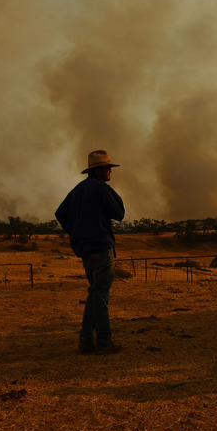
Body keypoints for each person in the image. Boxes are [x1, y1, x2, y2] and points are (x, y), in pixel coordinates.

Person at [55, 150, 126, 354]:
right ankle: (104, 341)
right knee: (101, 295)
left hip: (85, 249)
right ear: (100, 170)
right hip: (101, 248)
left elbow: (60, 213)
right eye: (108, 169)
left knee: (94, 293)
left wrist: (77, 232)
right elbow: (119, 214)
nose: (110, 172)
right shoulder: (101, 189)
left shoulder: (78, 189)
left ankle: (86, 340)